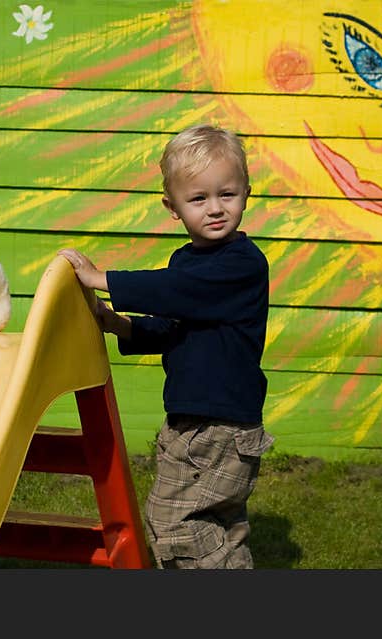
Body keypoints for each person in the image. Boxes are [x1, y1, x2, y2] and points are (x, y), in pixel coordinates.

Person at [58, 124, 274, 569]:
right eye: (199, 199)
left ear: (247, 194)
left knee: (175, 523)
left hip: (218, 427)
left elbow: (176, 290)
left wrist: (104, 280)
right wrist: (119, 325)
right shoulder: (188, 264)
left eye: (227, 194)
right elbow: (174, 325)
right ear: (172, 207)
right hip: (201, 424)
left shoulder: (241, 265)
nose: (215, 208)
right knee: (216, 529)